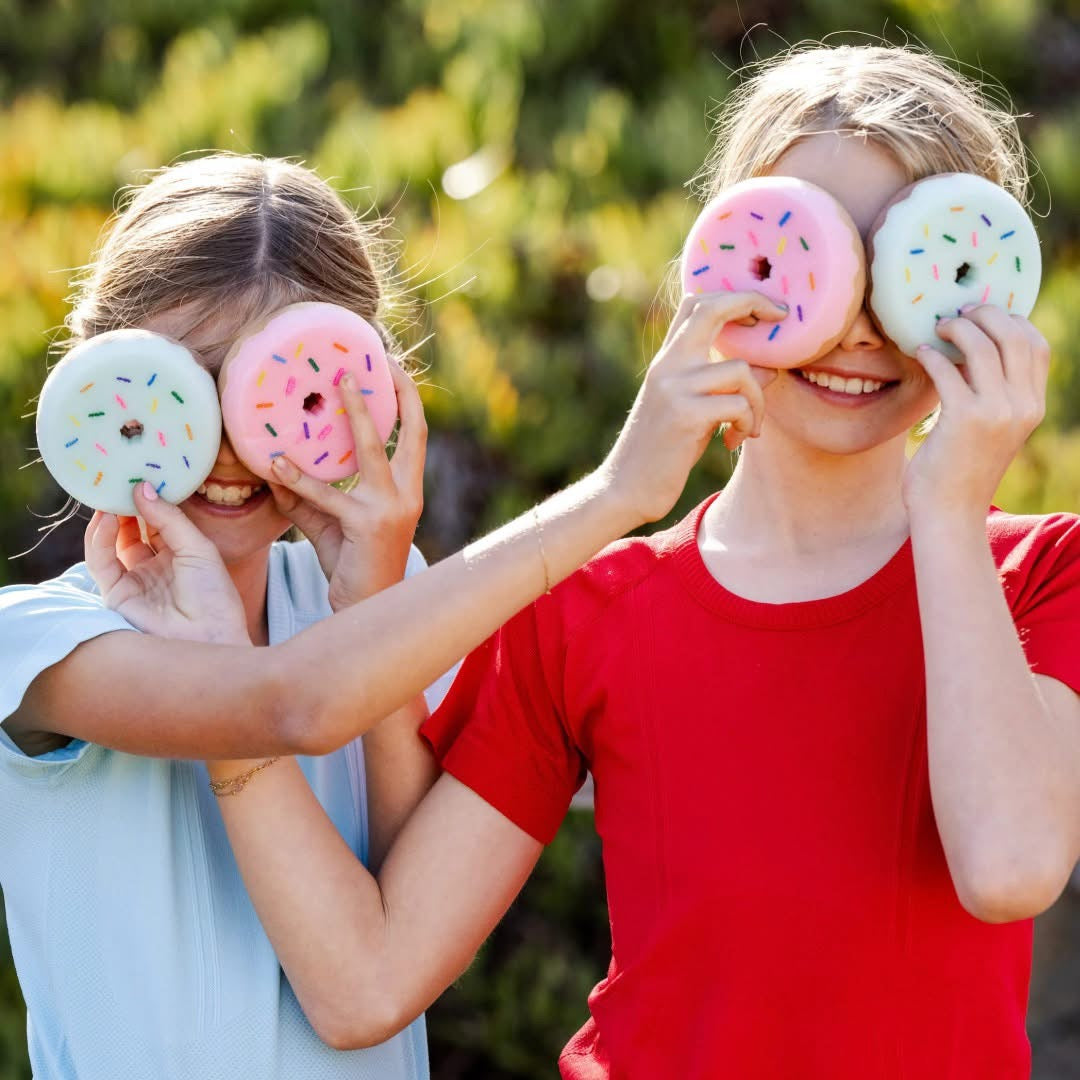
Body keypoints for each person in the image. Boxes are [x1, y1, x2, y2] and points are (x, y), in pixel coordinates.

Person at [190, 45, 1080, 1079]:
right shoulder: (587, 613)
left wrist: (950, 502)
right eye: (809, 257)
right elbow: (371, 980)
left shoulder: (1043, 573)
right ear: (716, 262)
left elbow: (1011, 868)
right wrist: (244, 674)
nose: (859, 327)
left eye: (915, 265)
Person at [0, 152, 778, 1079]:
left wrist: (375, 595)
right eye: (181, 384)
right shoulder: (43, 645)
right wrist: (613, 495)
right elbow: (288, 705)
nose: (228, 444)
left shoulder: (365, 615)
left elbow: (398, 945)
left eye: (279, 392)